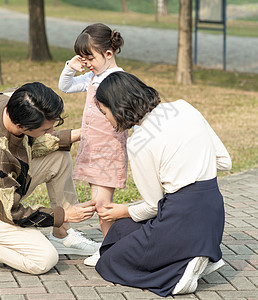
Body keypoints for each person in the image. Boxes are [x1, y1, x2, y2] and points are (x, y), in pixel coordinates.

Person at [92, 72, 232, 297]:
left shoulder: (138, 141)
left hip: (181, 217)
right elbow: (225, 161)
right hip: (213, 213)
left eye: (104, 111)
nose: (106, 119)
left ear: (117, 107)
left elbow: (153, 206)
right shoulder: (184, 107)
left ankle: (179, 274)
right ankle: (198, 252)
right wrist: (193, 165)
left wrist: (123, 210)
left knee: (108, 260)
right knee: (119, 231)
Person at [0, 82, 100, 274]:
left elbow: (30, 143)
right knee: (44, 260)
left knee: (59, 156)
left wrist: (79, 135)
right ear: (21, 126)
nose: (50, 131)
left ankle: (62, 234)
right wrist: (63, 214)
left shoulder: (12, 98)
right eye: (45, 130)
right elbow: (10, 212)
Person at [58, 23, 128, 266]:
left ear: (108, 54)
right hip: (93, 150)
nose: (85, 63)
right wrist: (70, 67)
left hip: (108, 152)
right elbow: (65, 87)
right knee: (101, 204)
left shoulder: (117, 80)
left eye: (89, 57)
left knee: (102, 205)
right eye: (82, 58)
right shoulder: (92, 76)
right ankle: (110, 248)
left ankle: (109, 251)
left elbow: (127, 117)